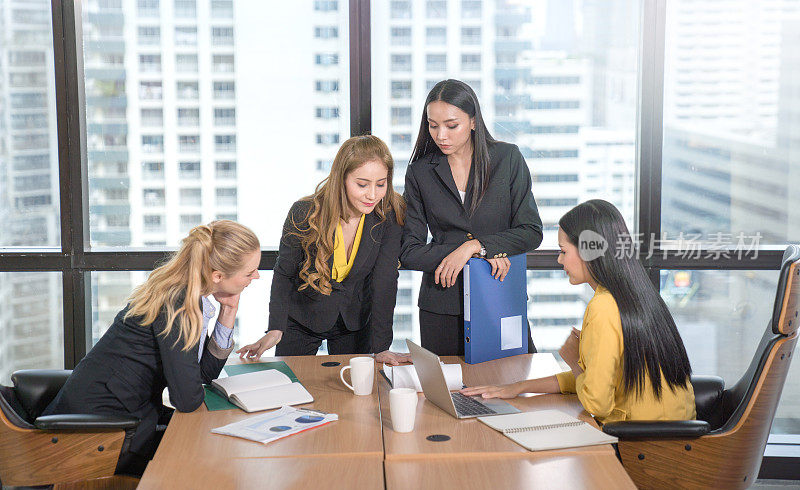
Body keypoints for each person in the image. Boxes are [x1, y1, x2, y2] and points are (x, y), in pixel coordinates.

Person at [42, 220, 262, 476]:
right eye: (249, 273)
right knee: (215, 462)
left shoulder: (185, 295)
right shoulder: (177, 306)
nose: (256, 277)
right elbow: (188, 399)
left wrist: (229, 310)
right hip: (97, 434)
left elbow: (200, 377)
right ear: (217, 276)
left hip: (124, 416)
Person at [461, 200, 696, 423]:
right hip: (675, 437)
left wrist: (574, 362)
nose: (560, 260)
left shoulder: (603, 306)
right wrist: (518, 387)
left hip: (644, 446)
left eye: (563, 251)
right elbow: (593, 379)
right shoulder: (635, 293)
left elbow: (596, 404)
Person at [236, 135, 410, 365]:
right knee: (291, 386)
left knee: (356, 391)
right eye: (362, 184)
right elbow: (284, 273)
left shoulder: (388, 216)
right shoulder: (303, 213)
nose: (372, 195)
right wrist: (276, 328)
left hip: (355, 320)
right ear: (342, 179)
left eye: (381, 184)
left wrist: (381, 347)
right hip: (303, 316)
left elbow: (385, 281)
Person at [400, 79, 543, 356]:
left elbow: (531, 231)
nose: (441, 135)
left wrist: (473, 247)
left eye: (451, 125)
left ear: (474, 121)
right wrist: (463, 253)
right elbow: (409, 251)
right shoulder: (419, 172)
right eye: (433, 125)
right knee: (449, 393)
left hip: (498, 294)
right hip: (441, 304)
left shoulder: (507, 158)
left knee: (513, 383)